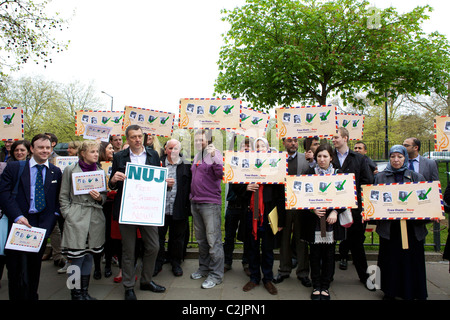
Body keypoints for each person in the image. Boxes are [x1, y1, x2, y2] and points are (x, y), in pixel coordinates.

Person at [0, 134, 62, 300]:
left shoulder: (56, 172)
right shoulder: (15, 168)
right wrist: (17, 216)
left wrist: (49, 225)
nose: (45, 151)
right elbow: (4, 193)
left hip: (41, 226)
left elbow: (57, 202)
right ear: (32, 149)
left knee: (34, 267)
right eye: (41, 147)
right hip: (19, 223)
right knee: (15, 268)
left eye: (48, 147)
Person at [108, 124, 165, 300]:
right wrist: (113, 180)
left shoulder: (153, 154)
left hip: (148, 209)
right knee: (129, 250)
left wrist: (165, 184)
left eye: (140, 136)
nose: (138, 139)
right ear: (128, 139)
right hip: (128, 209)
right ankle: (128, 286)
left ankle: (146, 281)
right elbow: (112, 185)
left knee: (153, 246)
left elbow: (156, 180)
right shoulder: (119, 157)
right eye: (133, 137)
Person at [374, 145, 429, 300]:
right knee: (391, 260)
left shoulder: (416, 177)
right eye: (393, 157)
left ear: (405, 157)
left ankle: (412, 291)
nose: (396, 160)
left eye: (399, 156)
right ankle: (390, 291)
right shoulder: (380, 177)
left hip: (412, 228)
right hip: (390, 228)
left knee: (411, 261)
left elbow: (425, 201)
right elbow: (374, 201)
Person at [59, 140, 107, 300]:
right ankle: (75, 293)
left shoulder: (100, 170)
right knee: (76, 258)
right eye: (92, 151)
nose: (96, 154)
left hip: (94, 219)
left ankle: (84, 292)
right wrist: (69, 214)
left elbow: (105, 197)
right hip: (77, 218)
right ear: (83, 153)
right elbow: (63, 196)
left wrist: (100, 197)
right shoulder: (70, 170)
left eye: (96, 151)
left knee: (88, 256)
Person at [301, 144, 346, 300]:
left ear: (331, 158)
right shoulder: (309, 173)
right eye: (319, 156)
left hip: (331, 221)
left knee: (329, 255)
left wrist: (335, 211)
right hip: (313, 221)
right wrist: (312, 209)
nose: (321, 159)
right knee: (314, 254)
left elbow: (346, 196)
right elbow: (301, 195)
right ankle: (316, 286)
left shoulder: (339, 174)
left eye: (325, 156)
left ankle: (325, 286)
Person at [332, 127, 374, 291]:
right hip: (333, 209)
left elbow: (367, 181)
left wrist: (352, 195)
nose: (333, 140)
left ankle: (365, 277)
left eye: (336, 137)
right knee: (329, 244)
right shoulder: (330, 157)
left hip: (354, 209)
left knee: (357, 244)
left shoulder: (359, 159)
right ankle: (325, 278)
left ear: (345, 138)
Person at [242, 137, 285, 295]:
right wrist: (246, 188)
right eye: (257, 146)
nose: (260, 149)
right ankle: (254, 277)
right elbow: (238, 191)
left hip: (268, 214)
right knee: (252, 248)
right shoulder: (247, 168)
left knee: (267, 249)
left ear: (268, 149)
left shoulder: (275, 168)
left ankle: (268, 278)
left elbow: (281, 196)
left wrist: (280, 220)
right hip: (251, 214)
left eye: (263, 146)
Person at [273, 137, 311, 287]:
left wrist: (313, 161)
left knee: (301, 240)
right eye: (289, 141)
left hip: (301, 206)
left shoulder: (305, 159)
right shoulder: (278, 159)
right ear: (283, 143)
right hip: (284, 206)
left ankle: (302, 273)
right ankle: (283, 270)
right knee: (284, 240)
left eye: (295, 140)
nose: (293, 143)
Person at [189, 129, 224, 289]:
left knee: (213, 241)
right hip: (196, 203)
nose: (198, 142)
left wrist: (213, 157)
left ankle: (216, 275)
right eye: (196, 140)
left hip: (210, 204)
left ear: (208, 141)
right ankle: (203, 268)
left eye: (201, 140)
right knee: (202, 240)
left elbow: (220, 174)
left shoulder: (214, 154)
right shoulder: (197, 156)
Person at [154, 139, 191, 277]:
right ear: (165, 149)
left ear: (179, 150)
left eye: (175, 149)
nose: (172, 151)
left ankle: (176, 263)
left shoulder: (186, 165)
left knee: (177, 238)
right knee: (158, 238)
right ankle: (158, 263)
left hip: (179, 208)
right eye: (170, 148)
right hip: (160, 209)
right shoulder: (157, 163)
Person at [224, 137, 252, 275]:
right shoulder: (234, 161)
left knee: (247, 235)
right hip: (233, 205)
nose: (246, 148)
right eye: (243, 145)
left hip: (247, 206)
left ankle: (246, 262)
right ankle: (227, 261)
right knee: (229, 236)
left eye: (248, 146)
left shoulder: (255, 164)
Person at [93, 142, 115, 280]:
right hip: (97, 204)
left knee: (109, 237)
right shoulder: (94, 166)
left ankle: (108, 265)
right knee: (96, 237)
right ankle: (96, 268)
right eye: (110, 148)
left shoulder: (116, 163)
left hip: (111, 205)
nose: (113, 150)